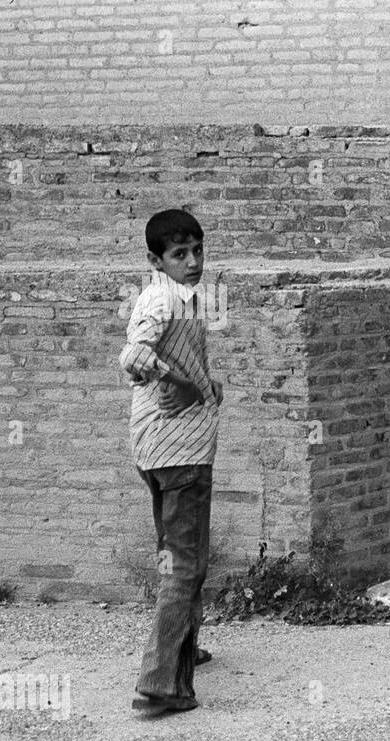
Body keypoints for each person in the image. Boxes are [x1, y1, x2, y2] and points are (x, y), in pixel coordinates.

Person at [119, 209, 223, 713]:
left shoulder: (185, 297)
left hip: (161, 449)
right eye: (180, 254)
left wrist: (204, 384)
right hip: (179, 453)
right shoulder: (160, 297)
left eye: (198, 250)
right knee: (185, 565)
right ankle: (160, 684)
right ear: (156, 261)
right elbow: (133, 357)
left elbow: (183, 360)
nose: (193, 261)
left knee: (179, 557)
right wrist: (180, 384)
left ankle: (184, 651)